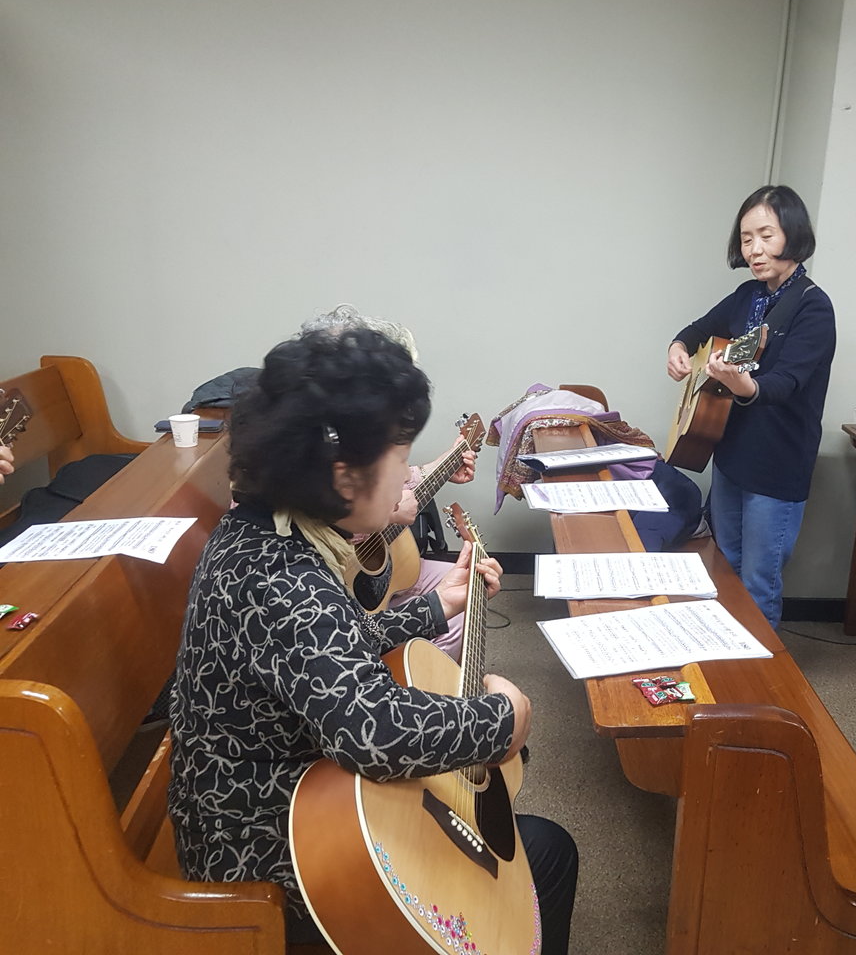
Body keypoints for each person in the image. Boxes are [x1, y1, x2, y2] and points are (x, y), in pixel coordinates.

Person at [168, 328, 577, 950]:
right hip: (275, 847)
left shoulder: (264, 533)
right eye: (400, 458)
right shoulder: (282, 576)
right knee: (548, 852)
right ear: (344, 477)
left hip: (305, 792)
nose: (408, 478)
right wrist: (506, 718)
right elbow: (375, 734)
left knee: (532, 846)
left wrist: (436, 606)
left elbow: (329, 647)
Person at [666, 184, 836, 628]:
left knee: (759, 582)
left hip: (778, 464)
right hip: (731, 454)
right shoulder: (747, 296)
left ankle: (759, 666)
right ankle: (726, 657)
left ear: (792, 235)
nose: (755, 249)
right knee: (724, 566)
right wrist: (678, 347)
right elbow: (697, 329)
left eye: (766, 235)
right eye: (746, 239)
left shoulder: (813, 308)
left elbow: (786, 383)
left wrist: (743, 385)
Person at [301, 304, 481, 660]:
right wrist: (386, 514)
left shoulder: (339, 451)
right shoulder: (289, 570)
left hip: (368, 591)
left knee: (462, 594)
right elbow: (335, 646)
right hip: (344, 601)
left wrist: (441, 467)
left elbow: (391, 479)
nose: (403, 472)